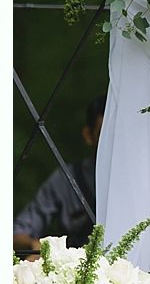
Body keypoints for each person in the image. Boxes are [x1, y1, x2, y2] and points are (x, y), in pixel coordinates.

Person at [13, 94, 105, 257]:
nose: (111, 144)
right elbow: (17, 231)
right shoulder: (67, 179)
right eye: (104, 136)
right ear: (88, 135)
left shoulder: (146, 183)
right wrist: (33, 245)